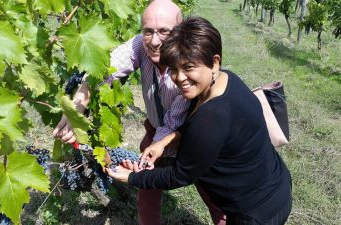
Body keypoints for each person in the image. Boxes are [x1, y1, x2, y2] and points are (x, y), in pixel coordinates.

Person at [107, 17, 293, 225]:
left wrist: (132, 178)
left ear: (214, 61)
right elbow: (209, 132)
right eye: (174, 70)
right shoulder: (225, 79)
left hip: (256, 212)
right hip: (274, 183)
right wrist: (166, 141)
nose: (179, 78)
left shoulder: (212, 117)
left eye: (188, 67)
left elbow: (180, 175)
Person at [53, 1, 198, 224]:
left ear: (181, 32)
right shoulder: (141, 45)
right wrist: (79, 103)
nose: (155, 40)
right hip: (156, 132)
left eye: (164, 32)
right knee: (147, 199)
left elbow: (172, 123)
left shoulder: (189, 67)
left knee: (215, 194)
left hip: (192, 136)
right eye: (148, 31)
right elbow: (104, 69)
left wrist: (147, 158)